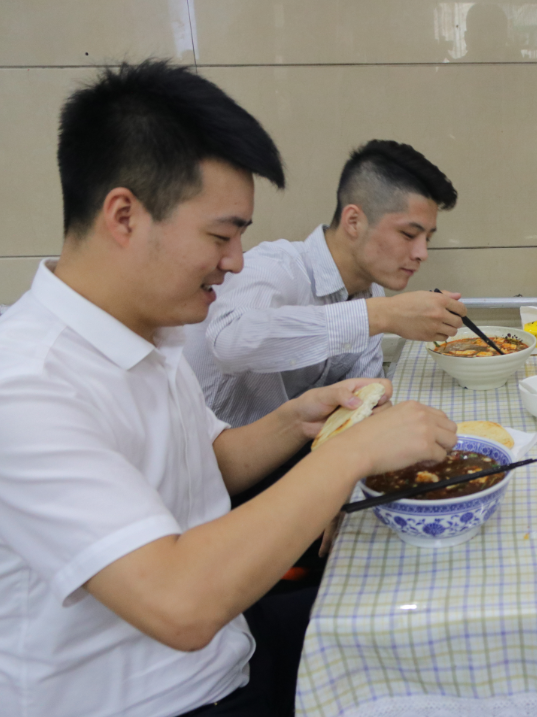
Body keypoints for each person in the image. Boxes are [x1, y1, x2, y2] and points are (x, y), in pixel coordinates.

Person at [0, 60, 456, 717]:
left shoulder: (147, 338)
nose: (237, 260)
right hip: (163, 696)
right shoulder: (26, 381)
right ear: (123, 216)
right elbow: (179, 604)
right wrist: (347, 456)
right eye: (221, 235)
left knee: (429, 635)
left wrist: (302, 418)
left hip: (228, 645)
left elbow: (214, 460)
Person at [184, 139, 463, 429]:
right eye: (408, 234)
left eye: (426, 239)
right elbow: (229, 342)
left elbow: (362, 398)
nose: (422, 254)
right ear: (354, 221)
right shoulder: (275, 266)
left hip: (297, 454)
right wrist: (381, 315)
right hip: (204, 458)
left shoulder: (372, 294)